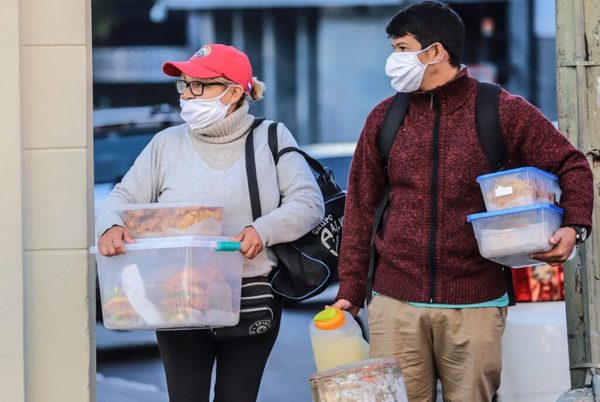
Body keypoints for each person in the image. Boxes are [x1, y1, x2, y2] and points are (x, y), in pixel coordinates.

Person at [332, 2, 593, 401]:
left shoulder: (501, 110)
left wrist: (574, 227)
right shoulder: (383, 118)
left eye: (401, 48)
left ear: (435, 52)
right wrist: (350, 287)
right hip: (394, 302)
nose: (393, 60)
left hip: (476, 302)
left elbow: (571, 164)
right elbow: (361, 208)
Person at [95, 43, 324, 402]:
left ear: (233, 92)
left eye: (197, 85)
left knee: (237, 397)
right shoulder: (165, 144)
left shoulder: (271, 137)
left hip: (250, 293)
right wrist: (110, 225)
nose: (186, 94)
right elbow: (120, 198)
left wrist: (261, 230)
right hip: (177, 300)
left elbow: (309, 203)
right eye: (183, 85)